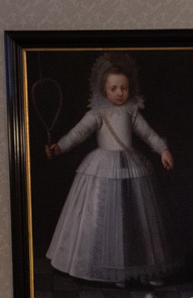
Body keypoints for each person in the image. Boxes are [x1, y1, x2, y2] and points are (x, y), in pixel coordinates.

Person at [44, 52, 178, 284]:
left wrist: (163, 150)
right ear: (103, 89)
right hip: (103, 171)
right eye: (114, 88)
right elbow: (78, 134)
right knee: (106, 219)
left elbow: (147, 134)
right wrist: (59, 147)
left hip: (131, 169)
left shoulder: (131, 111)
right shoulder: (97, 113)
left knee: (134, 220)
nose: (119, 93)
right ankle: (116, 271)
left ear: (130, 87)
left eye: (124, 88)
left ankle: (143, 269)